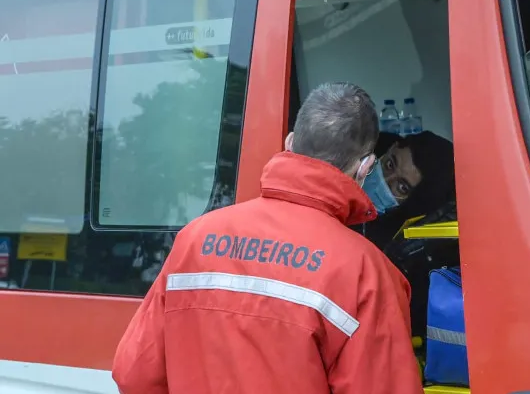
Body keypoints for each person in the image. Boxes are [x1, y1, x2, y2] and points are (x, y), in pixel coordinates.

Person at [112, 82, 424, 394]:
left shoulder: (194, 239)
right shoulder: (366, 273)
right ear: (366, 166)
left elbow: (134, 374)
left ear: (290, 143)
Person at [362, 130, 456, 250]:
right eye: (390, 165)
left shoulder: (388, 248)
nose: (385, 180)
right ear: (392, 147)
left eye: (402, 187)